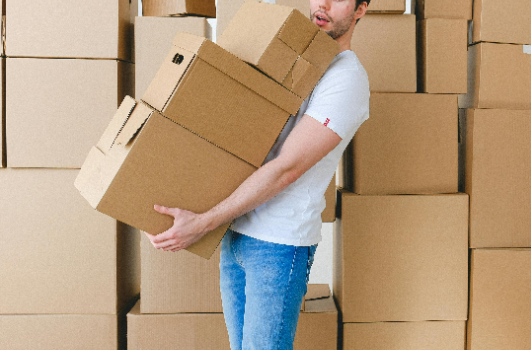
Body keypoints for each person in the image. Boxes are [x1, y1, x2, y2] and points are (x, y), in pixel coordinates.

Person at [143, 0, 371, 348]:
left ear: (361, 9)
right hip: (236, 232)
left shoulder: (347, 78)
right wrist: (174, 209)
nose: (322, 4)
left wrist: (202, 222)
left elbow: (286, 168)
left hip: (278, 244)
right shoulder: (289, 57)